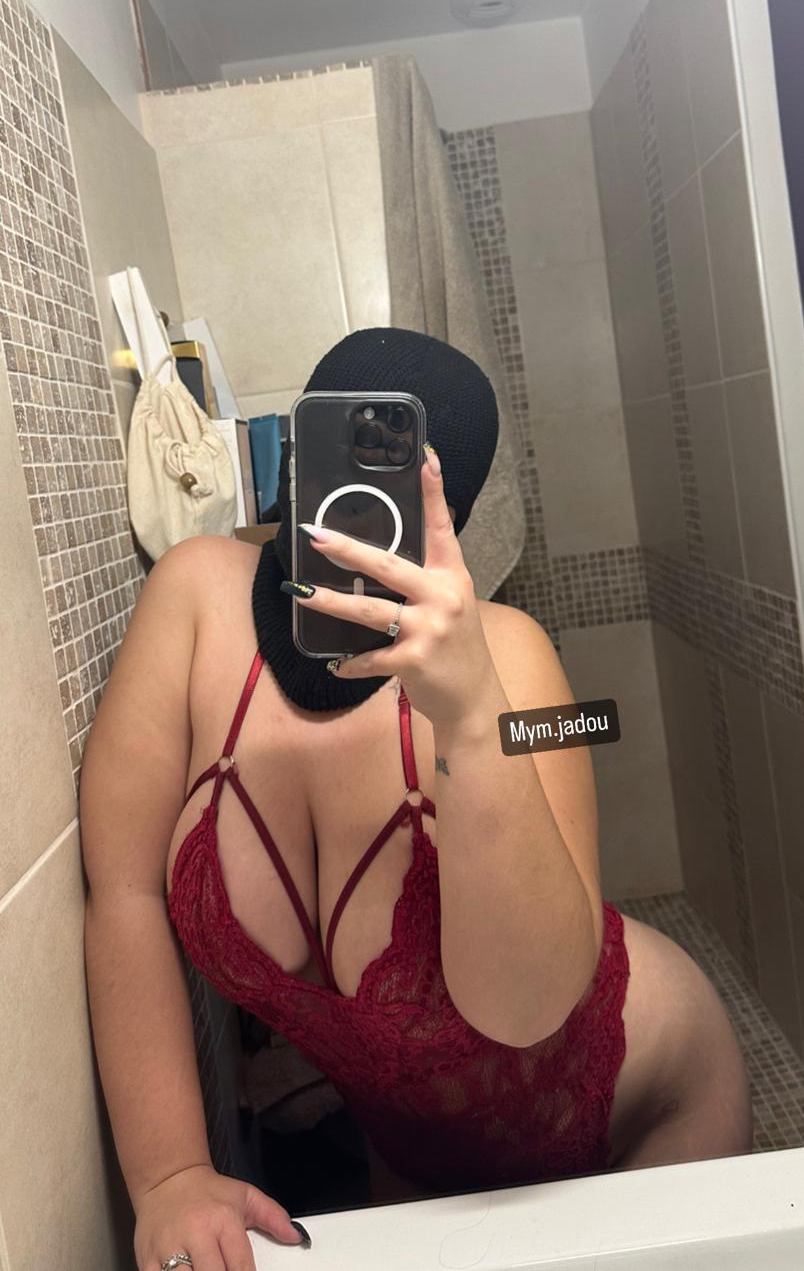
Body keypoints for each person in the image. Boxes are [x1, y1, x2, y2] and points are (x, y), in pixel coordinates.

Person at [81, 327, 752, 1271]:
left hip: (643, 1107)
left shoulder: (512, 659)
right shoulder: (194, 602)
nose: (359, 506)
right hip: (412, 1153)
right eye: (340, 453)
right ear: (297, 451)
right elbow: (123, 891)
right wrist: (168, 1175)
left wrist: (472, 718)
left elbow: (529, 1012)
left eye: (397, 479)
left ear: (447, 513)